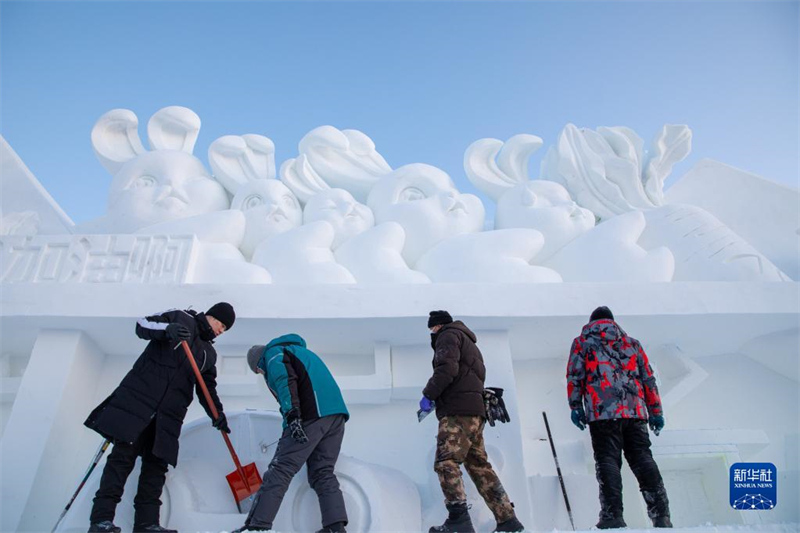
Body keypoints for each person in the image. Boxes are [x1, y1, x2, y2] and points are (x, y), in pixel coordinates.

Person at [84, 302, 235, 533]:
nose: (221, 330)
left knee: (155, 471)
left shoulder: (208, 354)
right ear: (211, 316)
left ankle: (147, 524)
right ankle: (101, 521)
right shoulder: (181, 318)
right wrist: (168, 330)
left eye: (225, 329)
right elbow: (142, 325)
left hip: (168, 418)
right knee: (120, 463)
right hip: (139, 406)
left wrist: (218, 414)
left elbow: (207, 389)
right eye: (221, 324)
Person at [566, 306, 672, 529]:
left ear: (592, 322)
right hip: (635, 412)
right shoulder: (632, 344)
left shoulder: (582, 342)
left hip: (602, 412)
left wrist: (576, 407)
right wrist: (656, 412)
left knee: (607, 460)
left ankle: (612, 515)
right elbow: (648, 379)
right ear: (613, 322)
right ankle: (661, 514)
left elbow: (575, 376)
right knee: (643, 458)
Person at [419, 311, 525, 533]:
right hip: (475, 413)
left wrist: (429, 394)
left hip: (457, 412)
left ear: (438, 326)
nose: (432, 334)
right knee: (479, 466)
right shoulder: (469, 342)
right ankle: (508, 520)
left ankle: (458, 520)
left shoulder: (448, 335)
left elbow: (447, 369)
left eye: (432, 329)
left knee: (445, 462)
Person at [234, 334, 349, 533]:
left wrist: (292, 415)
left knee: (280, 469)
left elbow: (285, 380)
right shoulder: (301, 352)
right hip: (336, 416)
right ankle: (335, 527)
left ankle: (257, 526)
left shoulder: (272, 353)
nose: (262, 373)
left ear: (258, 363)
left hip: (311, 415)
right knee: (322, 471)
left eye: (259, 371)